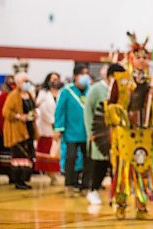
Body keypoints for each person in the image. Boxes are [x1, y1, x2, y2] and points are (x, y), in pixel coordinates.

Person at [106, 33, 153, 220]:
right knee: (123, 169)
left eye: (145, 57)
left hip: (143, 132)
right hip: (124, 133)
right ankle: (120, 205)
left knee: (143, 167)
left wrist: (150, 125)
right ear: (131, 58)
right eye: (138, 57)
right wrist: (121, 117)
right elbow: (110, 105)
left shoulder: (150, 81)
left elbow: (152, 108)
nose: (142, 60)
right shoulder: (120, 79)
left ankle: (141, 207)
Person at [84, 63, 125, 205]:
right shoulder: (96, 89)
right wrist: (90, 131)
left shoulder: (121, 90)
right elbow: (88, 110)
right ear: (111, 76)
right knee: (99, 163)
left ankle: (115, 194)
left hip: (117, 134)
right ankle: (93, 190)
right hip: (99, 133)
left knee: (115, 164)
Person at [54, 64, 91, 197]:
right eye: (83, 74)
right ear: (76, 76)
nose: (85, 77)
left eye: (87, 74)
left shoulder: (90, 90)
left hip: (87, 132)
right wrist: (58, 128)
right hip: (71, 132)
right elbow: (60, 111)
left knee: (88, 159)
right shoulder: (67, 91)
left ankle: (85, 185)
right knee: (71, 157)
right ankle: (69, 184)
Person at [2, 72, 39, 189]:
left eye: (28, 81)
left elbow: (33, 109)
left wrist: (34, 115)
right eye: (25, 81)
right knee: (19, 155)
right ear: (18, 83)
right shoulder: (13, 96)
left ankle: (24, 179)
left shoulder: (29, 95)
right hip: (17, 130)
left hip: (29, 129)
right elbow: (6, 112)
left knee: (28, 156)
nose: (27, 84)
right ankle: (18, 181)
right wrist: (19, 116)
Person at [35, 72, 62, 184]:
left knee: (56, 152)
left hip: (58, 127)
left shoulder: (62, 92)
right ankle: (50, 175)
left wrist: (59, 124)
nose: (55, 81)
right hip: (46, 127)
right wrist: (53, 122)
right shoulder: (43, 93)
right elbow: (42, 110)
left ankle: (55, 174)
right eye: (52, 79)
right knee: (46, 152)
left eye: (56, 79)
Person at [0, 75, 15, 181]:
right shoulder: (2, 97)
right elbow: (1, 114)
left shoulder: (17, 96)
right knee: (4, 153)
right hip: (5, 129)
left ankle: (12, 175)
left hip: (15, 130)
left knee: (12, 153)